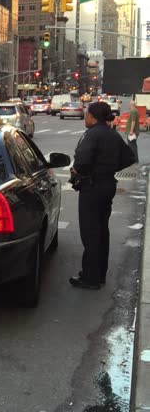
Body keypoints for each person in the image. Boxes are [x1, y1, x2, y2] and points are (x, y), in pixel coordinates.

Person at [69, 101, 136, 289]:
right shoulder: (112, 134)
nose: (85, 116)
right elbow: (129, 157)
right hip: (107, 185)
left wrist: (79, 171)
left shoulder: (92, 134)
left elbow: (81, 161)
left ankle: (90, 278)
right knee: (101, 231)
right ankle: (99, 274)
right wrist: (110, 169)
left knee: (90, 233)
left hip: (92, 187)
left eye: (87, 113)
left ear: (93, 116)